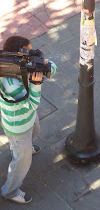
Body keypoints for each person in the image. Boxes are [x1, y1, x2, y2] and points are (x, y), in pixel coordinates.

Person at [0, 36, 57, 204]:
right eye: (28, 53)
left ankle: (17, 150)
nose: (31, 56)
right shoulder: (10, 84)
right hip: (18, 125)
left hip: (23, 119)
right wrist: (36, 83)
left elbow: (52, 68)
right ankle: (9, 191)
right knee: (22, 162)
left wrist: (42, 65)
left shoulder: (13, 66)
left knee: (36, 129)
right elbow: (31, 104)